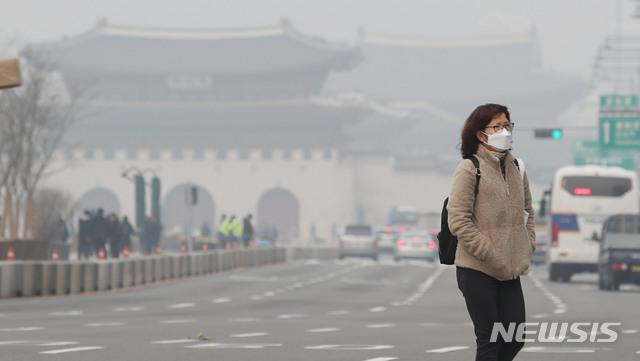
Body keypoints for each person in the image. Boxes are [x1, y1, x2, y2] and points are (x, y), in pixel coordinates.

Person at [447, 103, 535, 361]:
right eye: (496, 126)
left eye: (507, 125)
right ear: (480, 134)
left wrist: (527, 245)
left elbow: (528, 212)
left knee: (515, 337)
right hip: (478, 268)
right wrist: (487, 251)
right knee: (490, 339)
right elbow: (458, 219)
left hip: (510, 269)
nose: (504, 131)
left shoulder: (517, 167)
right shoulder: (469, 167)